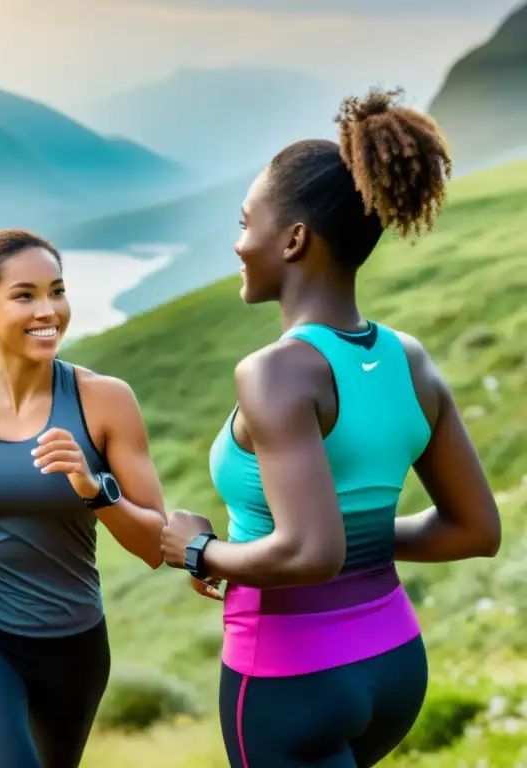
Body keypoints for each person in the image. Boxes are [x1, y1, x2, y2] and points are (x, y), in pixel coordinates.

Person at [160, 86, 502, 768]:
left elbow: (309, 554)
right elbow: (474, 529)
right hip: (395, 667)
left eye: (245, 221)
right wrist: (364, 535)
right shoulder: (408, 360)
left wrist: (198, 551)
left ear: (292, 239)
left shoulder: (276, 373)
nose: (236, 243)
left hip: (290, 680)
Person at [0, 228, 168, 768]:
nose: (49, 310)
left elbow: (156, 545)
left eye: (57, 291)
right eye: (25, 295)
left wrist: (95, 489)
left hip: (76, 650)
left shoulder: (104, 401)